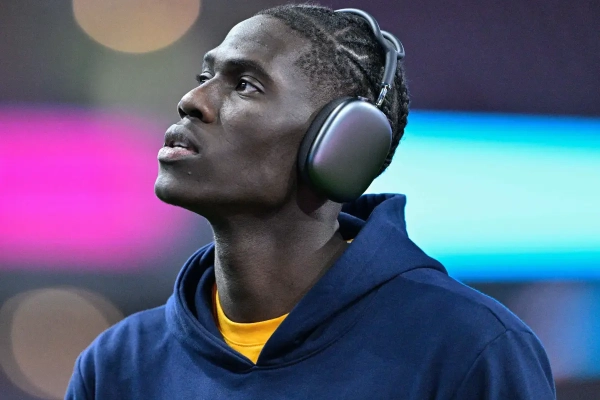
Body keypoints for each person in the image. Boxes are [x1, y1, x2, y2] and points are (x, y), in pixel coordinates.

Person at [66, 4, 555, 399]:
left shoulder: (470, 348)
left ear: (341, 146)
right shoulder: (117, 364)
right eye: (204, 76)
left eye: (244, 85)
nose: (193, 100)